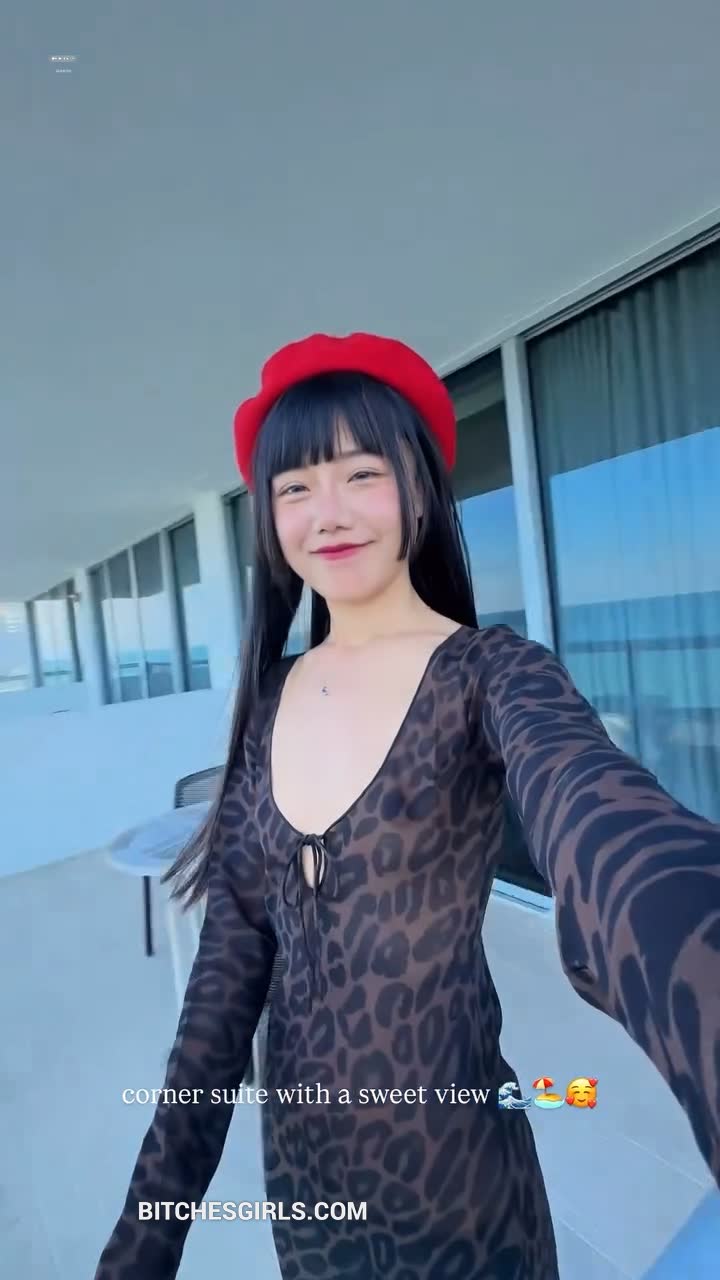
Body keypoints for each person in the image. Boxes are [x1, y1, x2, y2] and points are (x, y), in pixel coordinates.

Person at [94, 332, 720, 1280]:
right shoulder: (267, 700)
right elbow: (223, 988)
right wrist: (144, 1241)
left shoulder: (491, 674)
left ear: (418, 488)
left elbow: (606, 829)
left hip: (468, 1197)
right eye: (295, 487)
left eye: (361, 473)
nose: (328, 513)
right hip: (306, 1193)